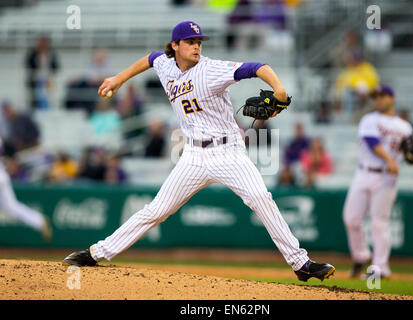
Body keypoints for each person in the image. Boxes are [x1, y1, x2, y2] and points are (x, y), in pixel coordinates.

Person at [63, 21, 335, 282]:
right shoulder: (165, 65)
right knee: (156, 210)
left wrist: (279, 88)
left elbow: (256, 67)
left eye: (199, 42)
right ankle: (97, 253)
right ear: (176, 46)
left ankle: (301, 264)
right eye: (190, 42)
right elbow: (150, 57)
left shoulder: (211, 69)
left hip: (228, 152)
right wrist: (118, 79)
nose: (197, 46)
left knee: (260, 197)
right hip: (193, 156)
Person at [343, 85, 413, 279]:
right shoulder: (369, 119)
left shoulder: (405, 127)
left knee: (379, 223)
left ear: (392, 99)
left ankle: (380, 268)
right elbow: (371, 142)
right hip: (364, 172)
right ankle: (361, 255)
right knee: (351, 218)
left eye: (383, 96)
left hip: (387, 178)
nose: (378, 100)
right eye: (376, 97)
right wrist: (390, 159)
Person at [0, 137, 52, 242]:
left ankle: (39, 221)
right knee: (12, 206)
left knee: (12, 206)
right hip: (2, 175)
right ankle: (39, 220)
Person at [25, 35, 59, 110]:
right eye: (40, 42)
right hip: (36, 77)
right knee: (36, 94)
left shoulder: (51, 53)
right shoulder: (33, 53)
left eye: (44, 43)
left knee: (48, 94)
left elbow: (56, 66)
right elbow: (28, 64)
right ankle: (34, 107)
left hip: (48, 77)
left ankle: (48, 108)